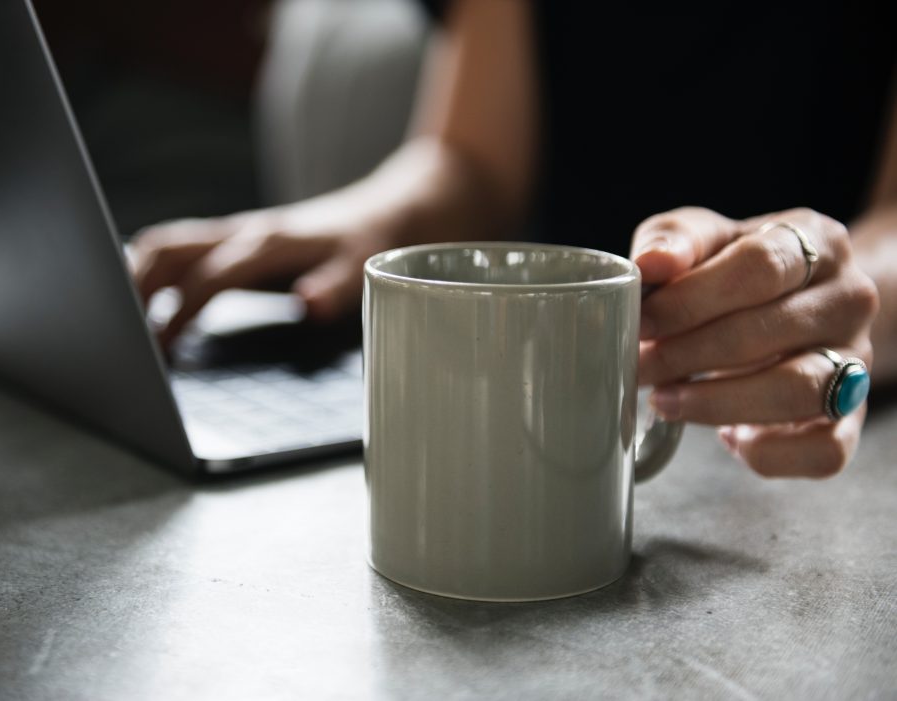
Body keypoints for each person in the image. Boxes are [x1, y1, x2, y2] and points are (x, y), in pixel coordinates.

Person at [130, 0, 897, 479]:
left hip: (803, 435)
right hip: (543, 398)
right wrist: (357, 220)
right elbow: (473, 161)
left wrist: (831, 293)